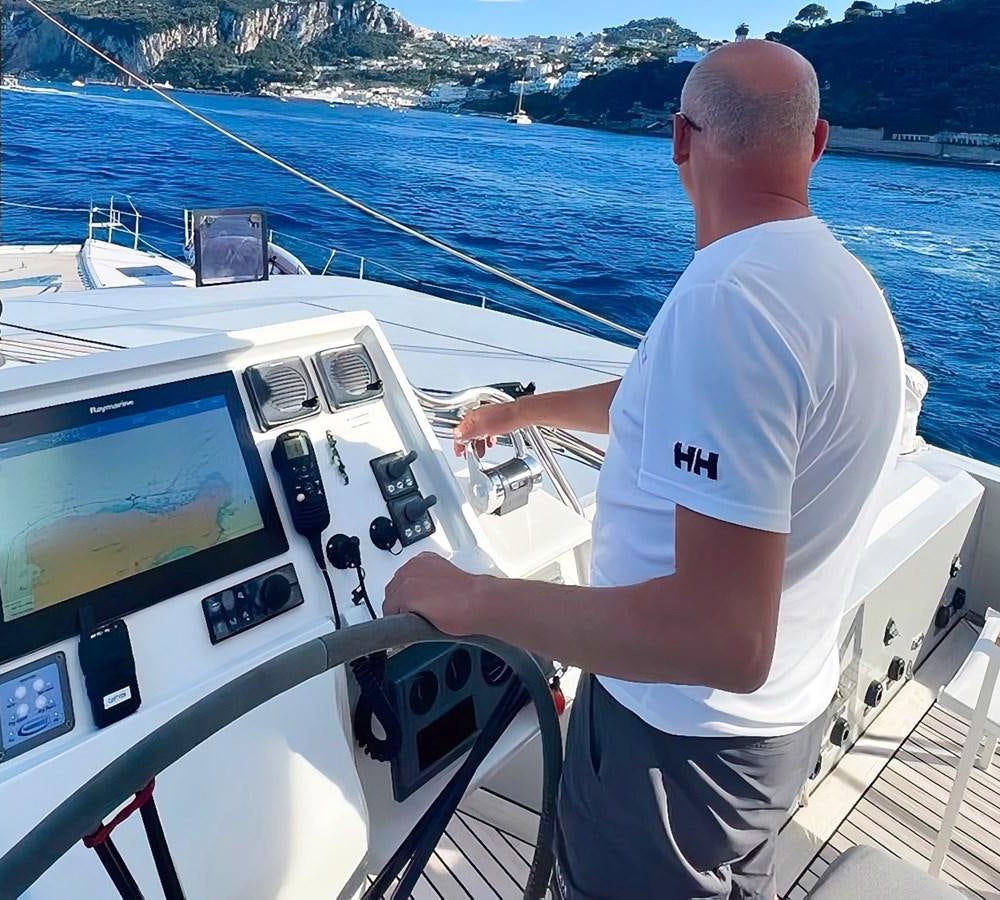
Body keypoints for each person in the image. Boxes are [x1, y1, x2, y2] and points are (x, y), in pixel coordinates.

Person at [383, 41, 906, 900]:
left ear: (677, 140)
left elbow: (721, 639)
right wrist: (523, 411)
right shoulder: (840, 285)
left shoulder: (728, 301)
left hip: (679, 748)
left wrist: (472, 599)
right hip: (776, 731)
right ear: (816, 144)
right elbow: (679, 403)